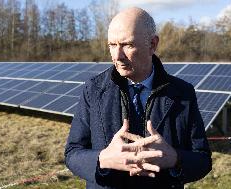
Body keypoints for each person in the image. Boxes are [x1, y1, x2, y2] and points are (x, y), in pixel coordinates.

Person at [65, 7, 212, 189]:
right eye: (112, 45)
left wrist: (174, 158)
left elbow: (203, 159)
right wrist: (102, 159)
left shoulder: (183, 93)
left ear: (152, 44)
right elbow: (72, 153)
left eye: (127, 45)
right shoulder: (93, 90)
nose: (117, 56)